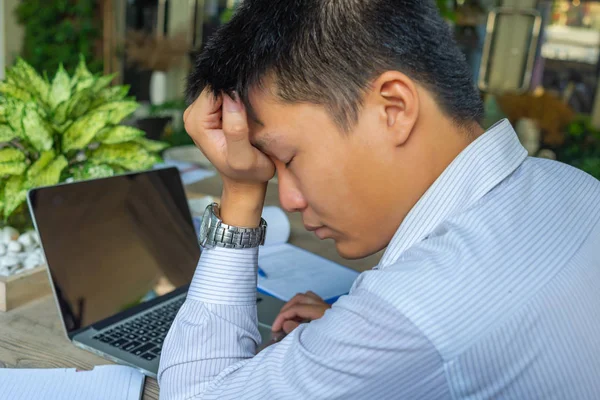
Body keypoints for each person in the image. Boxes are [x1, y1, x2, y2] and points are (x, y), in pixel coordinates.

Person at [158, 0, 600, 399]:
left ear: (394, 108)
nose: (288, 198)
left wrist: (239, 191)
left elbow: (194, 392)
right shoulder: (570, 185)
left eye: (288, 157)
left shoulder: (417, 309)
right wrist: (350, 339)